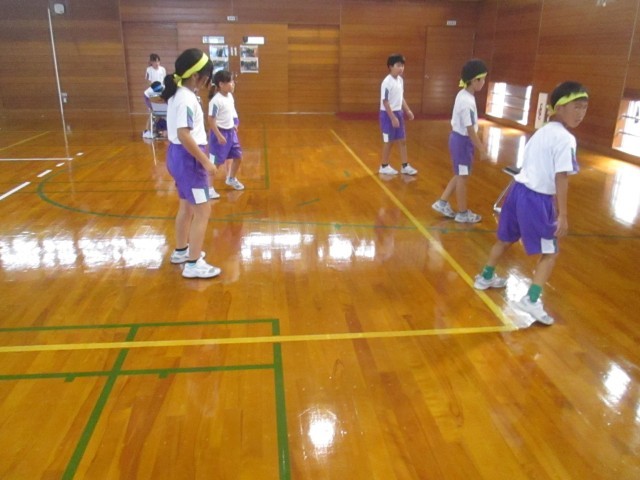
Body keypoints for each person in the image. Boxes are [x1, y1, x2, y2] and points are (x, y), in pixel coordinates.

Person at [472, 81, 589, 326]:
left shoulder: (542, 131)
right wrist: (563, 214)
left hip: (517, 192)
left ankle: (485, 276)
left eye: (584, 107)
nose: (581, 113)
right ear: (560, 108)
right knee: (551, 252)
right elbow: (561, 177)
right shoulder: (566, 139)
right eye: (576, 107)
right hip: (536, 199)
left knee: (505, 239)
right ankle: (532, 299)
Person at [162, 48, 221, 279]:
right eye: (207, 76)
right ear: (196, 76)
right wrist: (206, 162)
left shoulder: (178, 94)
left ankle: (181, 251)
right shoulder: (186, 98)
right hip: (189, 160)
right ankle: (194, 264)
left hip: (177, 156)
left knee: (186, 206)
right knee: (203, 211)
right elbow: (184, 134)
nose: (208, 81)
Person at [432, 59, 489, 223]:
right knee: (463, 177)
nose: (484, 83)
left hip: (459, 140)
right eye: (482, 79)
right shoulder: (467, 102)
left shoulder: (464, 95)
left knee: (460, 174)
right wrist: (482, 149)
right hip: (462, 142)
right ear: (474, 80)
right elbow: (470, 130)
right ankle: (463, 213)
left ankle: (442, 202)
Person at [378, 54, 418, 176]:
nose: (401, 68)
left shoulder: (400, 80)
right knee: (389, 141)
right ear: (390, 66)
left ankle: (405, 166)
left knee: (402, 140)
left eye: (402, 65)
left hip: (398, 113)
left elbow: (401, 98)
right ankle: (384, 166)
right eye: (398, 65)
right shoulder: (386, 82)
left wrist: (408, 110)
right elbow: (385, 101)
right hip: (387, 114)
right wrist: (392, 117)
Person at [208, 70, 244, 197]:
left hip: (231, 133)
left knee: (238, 157)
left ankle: (231, 178)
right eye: (230, 81)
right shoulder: (215, 101)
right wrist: (218, 135)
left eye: (233, 81)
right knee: (216, 163)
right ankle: (208, 188)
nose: (233, 84)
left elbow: (233, 113)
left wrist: (235, 123)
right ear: (221, 84)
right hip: (220, 134)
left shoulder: (230, 97)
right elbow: (211, 119)